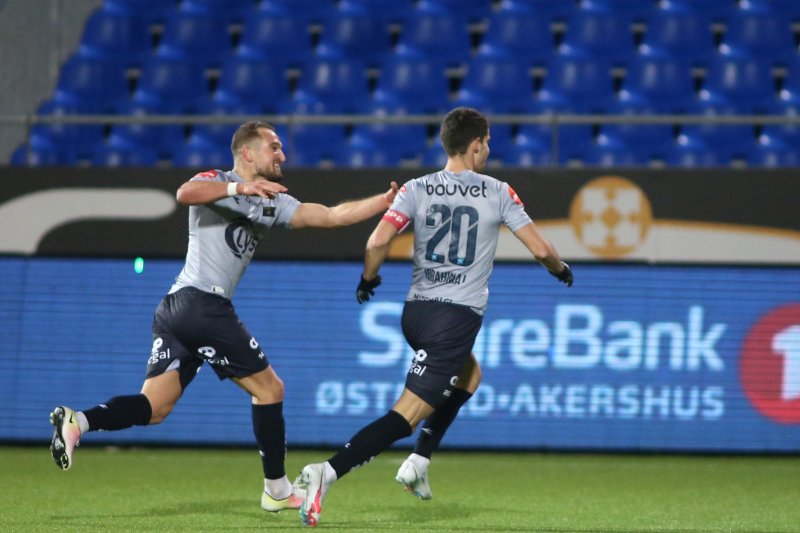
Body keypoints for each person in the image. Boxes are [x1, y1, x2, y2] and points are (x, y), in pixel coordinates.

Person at [48, 120, 399, 514]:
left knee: (156, 407)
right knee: (270, 390)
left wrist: (383, 204)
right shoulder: (219, 180)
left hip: (179, 310)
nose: (282, 155)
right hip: (201, 303)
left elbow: (332, 216)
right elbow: (185, 193)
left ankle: (79, 421)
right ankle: (277, 490)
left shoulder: (274, 201)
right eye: (274, 147)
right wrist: (240, 187)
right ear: (248, 152)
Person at [296, 107, 573, 527]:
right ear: (476, 144)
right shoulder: (498, 191)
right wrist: (561, 270)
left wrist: (368, 280)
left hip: (416, 313)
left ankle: (419, 461)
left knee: (469, 375)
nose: (489, 150)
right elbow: (540, 249)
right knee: (405, 416)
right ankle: (327, 473)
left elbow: (377, 240)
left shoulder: (416, 188)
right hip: (454, 319)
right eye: (488, 143)